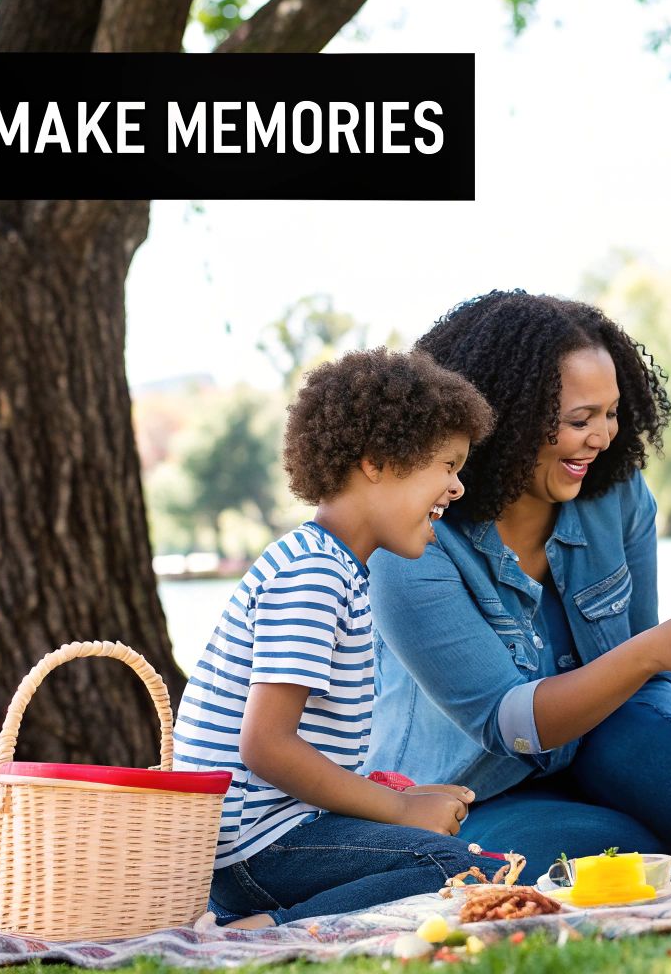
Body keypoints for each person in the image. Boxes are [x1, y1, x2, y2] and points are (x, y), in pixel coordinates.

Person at [363, 290, 671, 866]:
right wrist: (654, 650)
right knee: (598, 851)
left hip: (604, 741)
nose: (602, 437)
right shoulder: (413, 542)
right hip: (473, 788)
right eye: (579, 419)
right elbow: (505, 724)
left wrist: (670, 756)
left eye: (612, 412)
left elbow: (650, 683)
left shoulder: (617, 495)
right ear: (503, 421)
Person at [174, 349, 497, 928]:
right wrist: (400, 811)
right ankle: (266, 931)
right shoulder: (314, 572)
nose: (457, 487)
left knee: (470, 860)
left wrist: (405, 798)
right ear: (377, 462)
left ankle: (272, 917)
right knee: (457, 868)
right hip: (254, 851)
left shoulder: (334, 566)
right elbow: (265, 746)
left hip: (270, 840)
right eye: (447, 466)